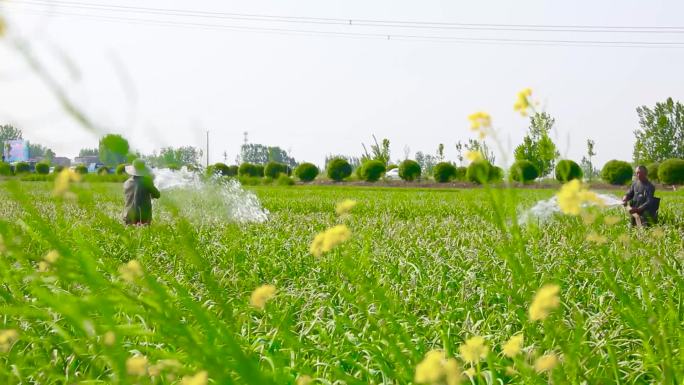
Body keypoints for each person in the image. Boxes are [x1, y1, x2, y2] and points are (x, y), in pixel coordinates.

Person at [123, 159, 160, 225]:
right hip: (142, 219)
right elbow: (157, 195)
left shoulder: (126, 183)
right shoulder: (147, 182)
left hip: (128, 217)